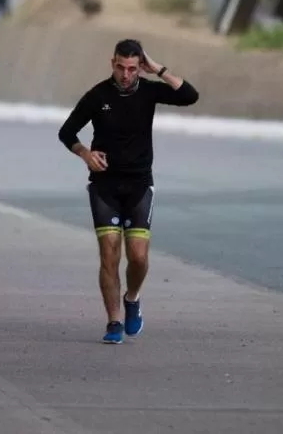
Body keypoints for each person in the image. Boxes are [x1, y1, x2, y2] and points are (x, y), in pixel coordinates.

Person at [57, 38, 200, 344]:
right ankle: (113, 322)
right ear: (113, 63)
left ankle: (132, 298)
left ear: (139, 67)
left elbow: (189, 96)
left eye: (132, 68)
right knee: (109, 255)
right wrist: (85, 153)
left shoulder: (148, 90)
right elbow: (66, 132)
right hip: (105, 186)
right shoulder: (98, 95)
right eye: (120, 67)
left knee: (137, 257)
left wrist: (158, 68)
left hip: (138, 185)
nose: (125, 74)